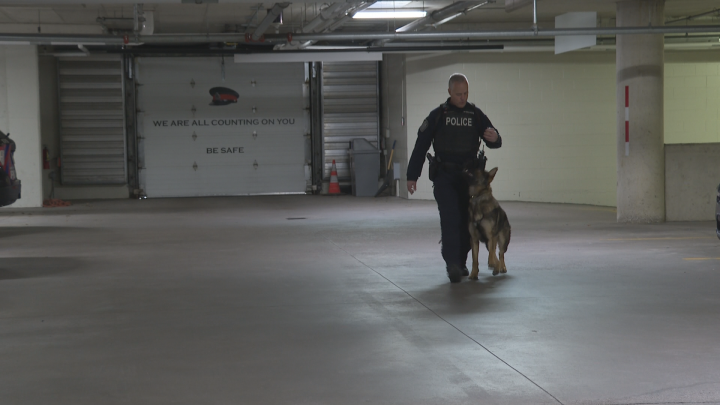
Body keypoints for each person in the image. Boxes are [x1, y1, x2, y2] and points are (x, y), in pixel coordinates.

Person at [406, 73, 502, 283]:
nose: (462, 97)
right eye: (458, 94)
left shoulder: (475, 114)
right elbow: (421, 146)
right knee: (450, 219)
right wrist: (412, 176)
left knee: (467, 221)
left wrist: (495, 138)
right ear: (449, 92)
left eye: (465, 93)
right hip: (445, 176)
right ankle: (452, 265)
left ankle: (461, 261)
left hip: (469, 180)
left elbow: (494, 138)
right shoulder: (438, 115)